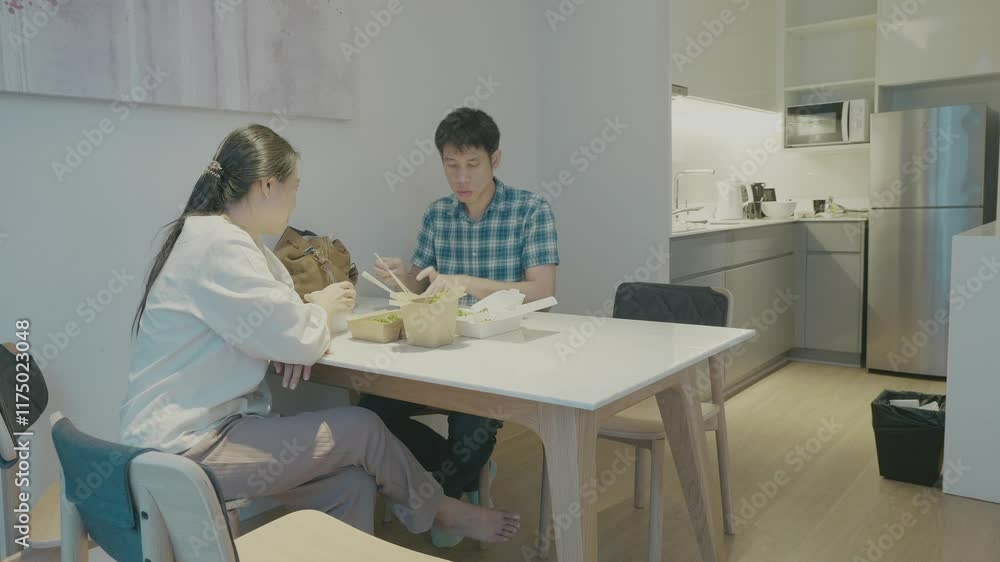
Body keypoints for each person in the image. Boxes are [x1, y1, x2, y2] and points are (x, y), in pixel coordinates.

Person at [119, 124, 519, 543]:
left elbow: (285, 321)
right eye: (294, 187)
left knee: (350, 486)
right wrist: (311, 320)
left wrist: (299, 329)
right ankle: (441, 510)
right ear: (268, 185)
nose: (295, 200)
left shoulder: (227, 240)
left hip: (209, 432)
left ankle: (419, 515)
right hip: (185, 448)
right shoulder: (219, 246)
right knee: (363, 427)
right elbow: (295, 330)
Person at [365, 108, 559, 547]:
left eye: (472, 164)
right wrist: (402, 274)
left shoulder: (530, 210)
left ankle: (452, 495)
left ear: (496, 159)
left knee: (473, 425)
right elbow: (422, 281)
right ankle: (457, 472)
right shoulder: (438, 214)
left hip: (503, 351)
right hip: (442, 348)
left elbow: (543, 291)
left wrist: (470, 283)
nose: (461, 177)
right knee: (371, 409)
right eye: (451, 165)